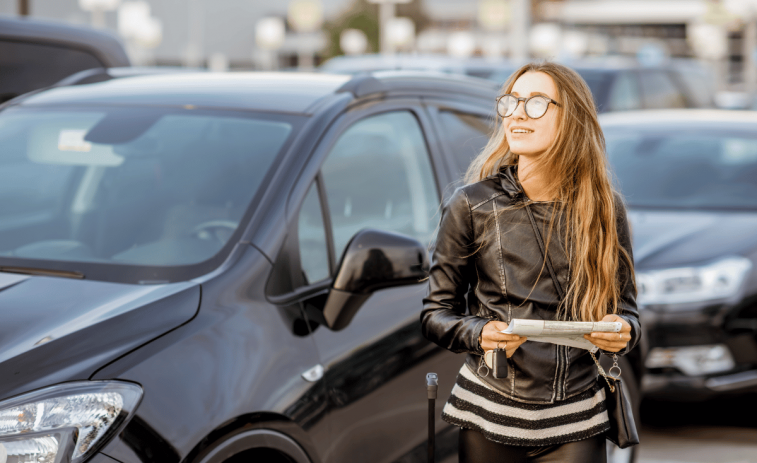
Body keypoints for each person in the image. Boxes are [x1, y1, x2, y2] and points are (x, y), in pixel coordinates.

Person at [420, 61, 640, 463]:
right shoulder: (471, 204)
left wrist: (623, 330)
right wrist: (482, 332)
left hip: (576, 417)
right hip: (489, 413)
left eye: (536, 103)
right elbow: (436, 314)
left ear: (570, 117)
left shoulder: (606, 209)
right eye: (511, 101)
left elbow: (626, 312)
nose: (517, 113)